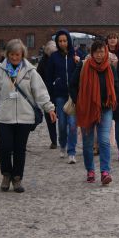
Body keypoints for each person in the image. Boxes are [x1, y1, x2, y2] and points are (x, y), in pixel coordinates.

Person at [0, 39, 57, 193]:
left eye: (17, 55)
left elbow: (40, 92)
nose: (15, 58)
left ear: (22, 55)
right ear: (7, 54)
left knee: (19, 149)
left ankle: (17, 178)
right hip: (3, 117)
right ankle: (6, 174)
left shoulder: (30, 71)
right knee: (5, 148)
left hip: (24, 117)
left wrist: (49, 108)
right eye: (12, 55)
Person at [70, 39, 118, 185]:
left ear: (105, 52)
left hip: (105, 108)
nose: (99, 55)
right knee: (88, 143)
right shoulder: (83, 65)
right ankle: (90, 170)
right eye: (96, 52)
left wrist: (113, 98)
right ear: (92, 53)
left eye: (101, 52)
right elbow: (72, 85)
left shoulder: (110, 67)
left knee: (104, 140)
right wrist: (79, 102)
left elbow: (116, 86)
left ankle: (105, 172)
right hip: (87, 109)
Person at [47, 29, 80, 164]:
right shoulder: (54, 57)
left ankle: (72, 152)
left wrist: (79, 63)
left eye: (64, 41)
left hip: (72, 96)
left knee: (72, 124)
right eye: (60, 41)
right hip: (59, 95)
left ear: (68, 41)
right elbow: (49, 76)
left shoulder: (75, 55)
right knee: (61, 124)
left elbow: (82, 73)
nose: (62, 43)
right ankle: (63, 144)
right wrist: (51, 95)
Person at [36, 40, 59, 149]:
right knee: (50, 119)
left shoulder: (60, 59)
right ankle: (54, 140)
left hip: (59, 93)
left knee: (62, 118)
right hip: (47, 94)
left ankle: (62, 138)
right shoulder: (43, 63)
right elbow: (38, 77)